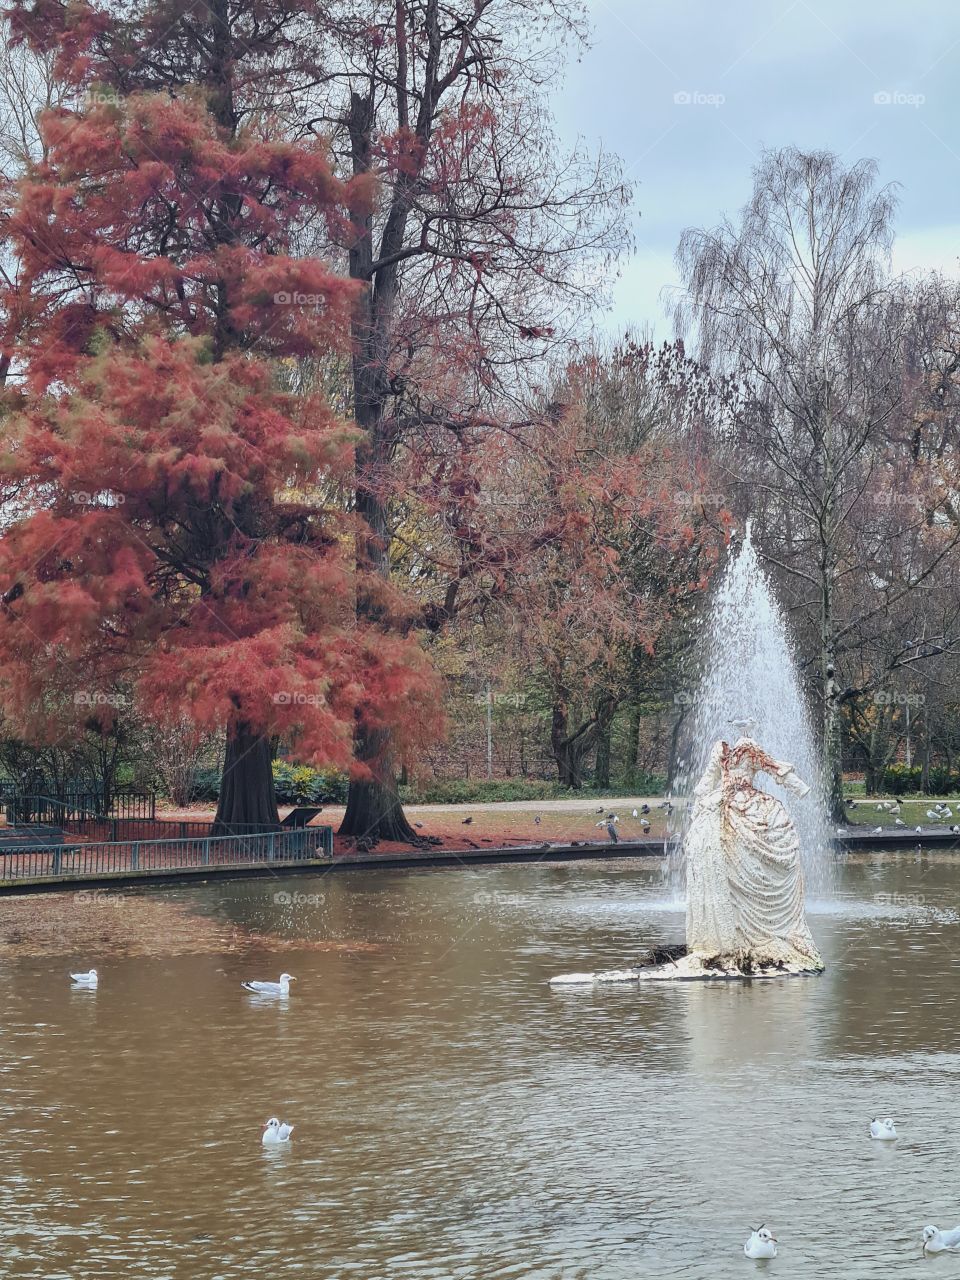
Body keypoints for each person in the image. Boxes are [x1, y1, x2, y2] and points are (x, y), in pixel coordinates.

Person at [684, 729, 822, 970]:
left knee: (722, 860)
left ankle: (732, 931)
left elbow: (706, 784)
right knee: (759, 845)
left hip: (717, 805)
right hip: (743, 804)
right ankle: (744, 932)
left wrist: (699, 808)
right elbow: (776, 769)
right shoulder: (749, 750)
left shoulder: (720, 750)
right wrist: (801, 789)